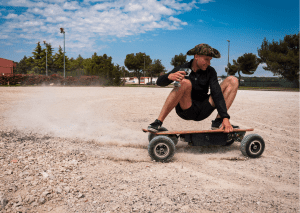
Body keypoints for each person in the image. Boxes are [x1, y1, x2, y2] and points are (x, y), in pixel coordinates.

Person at [147, 43, 239, 133]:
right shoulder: (182, 68)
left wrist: (225, 117)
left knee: (233, 80)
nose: (209, 63)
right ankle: (158, 122)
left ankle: (218, 122)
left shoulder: (210, 71)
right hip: (186, 109)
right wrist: (168, 76)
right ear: (196, 56)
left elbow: (217, 93)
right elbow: (159, 82)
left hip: (204, 109)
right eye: (206, 59)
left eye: (210, 60)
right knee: (184, 82)